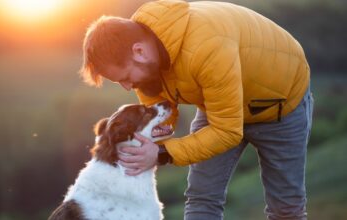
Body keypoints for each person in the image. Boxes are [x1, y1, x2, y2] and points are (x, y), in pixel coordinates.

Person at [79, 0, 313, 219]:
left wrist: (161, 153)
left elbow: (227, 132)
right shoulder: (144, 55)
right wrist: (148, 140)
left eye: (126, 77)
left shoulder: (207, 47)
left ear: (139, 52)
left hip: (280, 105)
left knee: (286, 207)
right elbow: (161, 111)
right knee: (201, 197)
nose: (127, 87)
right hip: (219, 104)